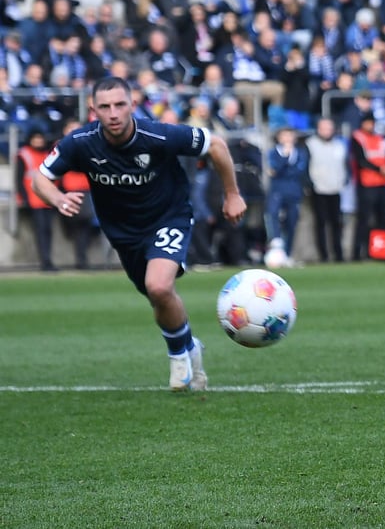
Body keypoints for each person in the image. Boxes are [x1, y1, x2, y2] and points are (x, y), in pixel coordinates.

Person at [32, 76, 247, 391]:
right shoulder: (81, 143)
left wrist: (231, 194)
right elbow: (41, 177)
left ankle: (177, 356)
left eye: (120, 104)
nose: (114, 113)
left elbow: (216, 144)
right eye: (105, 107)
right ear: (93, 110)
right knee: (157, 298)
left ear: (132, 105)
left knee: (158, 287)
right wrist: (57, 198)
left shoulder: (157, 135)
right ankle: (190, 347)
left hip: (168, 217)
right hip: (123, 234)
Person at [350, 112, 385, 260]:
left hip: (381, 183)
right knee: (364, 219)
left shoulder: (378, 138)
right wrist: (379, 169)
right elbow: (361, 160)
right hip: (366, 184)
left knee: (383, 218)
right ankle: (357, 253)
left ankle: (379, 252)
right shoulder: (357, 138)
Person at [305, 117, 349, 262]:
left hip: (335, 189)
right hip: (319, 189)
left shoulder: (339, 145)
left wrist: (344, 179)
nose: (327, 132)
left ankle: (338, 254)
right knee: (321, 223)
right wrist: (310, 184)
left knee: (336, 223)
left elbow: (344, 165)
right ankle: (323, 255)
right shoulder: (311, 144)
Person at [265, 127, 310, 263]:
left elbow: (300, 170)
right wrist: (285, 159)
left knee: (292, 222)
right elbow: (274, 170)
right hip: (277, 190)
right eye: (284, 136)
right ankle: (276, 245)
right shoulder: (273, 153)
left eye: (290, 136)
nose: (287, 139)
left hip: (294, 191)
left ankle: (288, 253)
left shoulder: (300, 153)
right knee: (273, 215)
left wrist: (285, 169)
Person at [17, 130, 59, 271]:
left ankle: (48, 260)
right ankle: (45, 262)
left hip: (48, 199)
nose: (38, 141)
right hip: (34, 199)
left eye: (40, 138)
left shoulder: (47, 154)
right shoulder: (24, 154)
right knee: (41, 231)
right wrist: (24, 198)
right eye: (36, 138)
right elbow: (19, 179)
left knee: (48, 231)